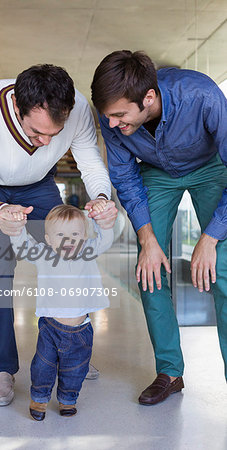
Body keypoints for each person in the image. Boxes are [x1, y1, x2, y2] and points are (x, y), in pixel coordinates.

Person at [0, 64, 117, 406]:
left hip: (39, 186)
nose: (45, 143)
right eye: (37, 133)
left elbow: (90, 163)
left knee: (68, 258)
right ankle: (3, 371)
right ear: (17, 106)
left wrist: (101, 198)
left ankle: (72, 349)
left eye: (54, 135)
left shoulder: (78, 111)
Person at [91, 50, 227, 405]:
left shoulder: (202, 95)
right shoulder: (112, 118)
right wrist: (147, 238)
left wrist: (210, 237)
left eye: (121, 115)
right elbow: (123, 175)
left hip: (210, 167)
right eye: (109, 117)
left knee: (225, 268)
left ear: (148, 98)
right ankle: (169, 371)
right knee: (149, 270)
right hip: (157, 174)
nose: (115, 124)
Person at [10, 203, 113, 420]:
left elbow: (105, 240)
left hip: (80, 330)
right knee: (42, 367)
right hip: (50, 328)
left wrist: (102, 222)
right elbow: (23, 247)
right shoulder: (43, 254)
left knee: (76, 369)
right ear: (48, 239)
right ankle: (39, 398)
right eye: (60, 234)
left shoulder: (87, 251)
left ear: (85, 236)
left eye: (75, 233)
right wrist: (17, 229)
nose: (69, 239)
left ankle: (68, 400)